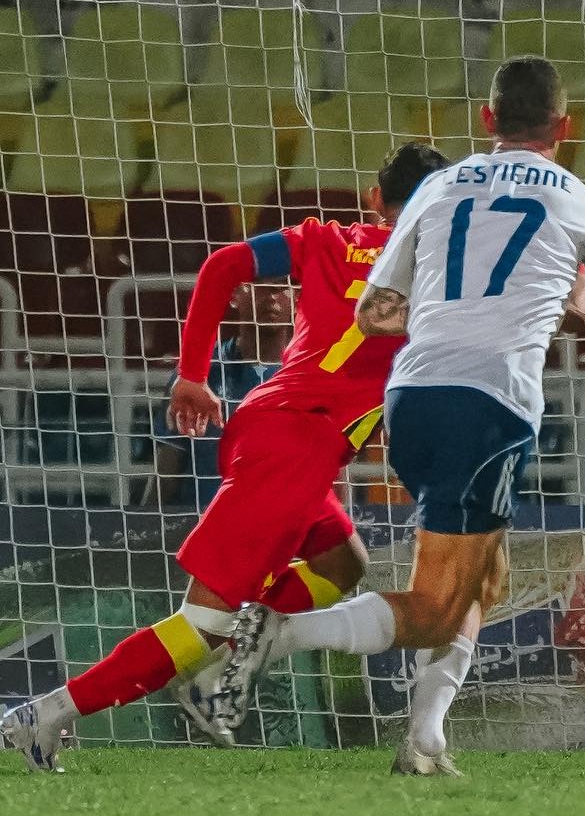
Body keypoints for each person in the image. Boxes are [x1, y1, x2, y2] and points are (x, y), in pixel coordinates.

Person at [207, 56, 585, 776]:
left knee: (482, 577)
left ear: (487, 121)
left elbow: (376, 313)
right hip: (489, 407)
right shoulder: (582, 203)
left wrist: (467, 305)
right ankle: (276, 631)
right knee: (436, 606)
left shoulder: (438, 188)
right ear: (565, 127)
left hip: (412, 401)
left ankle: (424, 735)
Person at [0, 141, 447, 773]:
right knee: (201, 623)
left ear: (375, 198)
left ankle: (224, 666)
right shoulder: (442, 274)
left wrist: (191, 375)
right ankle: (44, 717)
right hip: (296, 446)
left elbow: (222, 266)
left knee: (342, 562)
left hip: (271, 425)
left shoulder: (324, 238)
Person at [151, 281, 291, 509]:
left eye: (281, 286)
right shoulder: (194, 375)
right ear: (234, 295)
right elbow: (167, 465)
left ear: (296, 300)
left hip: (280, 526)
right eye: (261, 285)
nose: (272, 296)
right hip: (202, 520)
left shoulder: (310, 375)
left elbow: (332, 474)